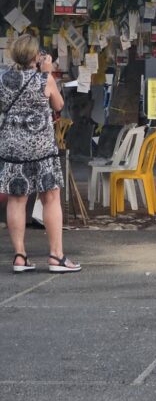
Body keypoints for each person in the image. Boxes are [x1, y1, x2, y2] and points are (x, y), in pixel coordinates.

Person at [0, 35, 80, 273]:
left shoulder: (3, 79)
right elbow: (58, 105)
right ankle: (56, 256)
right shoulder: (44, 79)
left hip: (12, 147)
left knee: (17, 199)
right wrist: (47, 70)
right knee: (50, 197)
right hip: (41, 148)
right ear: (36, 56)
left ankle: (20, 256)